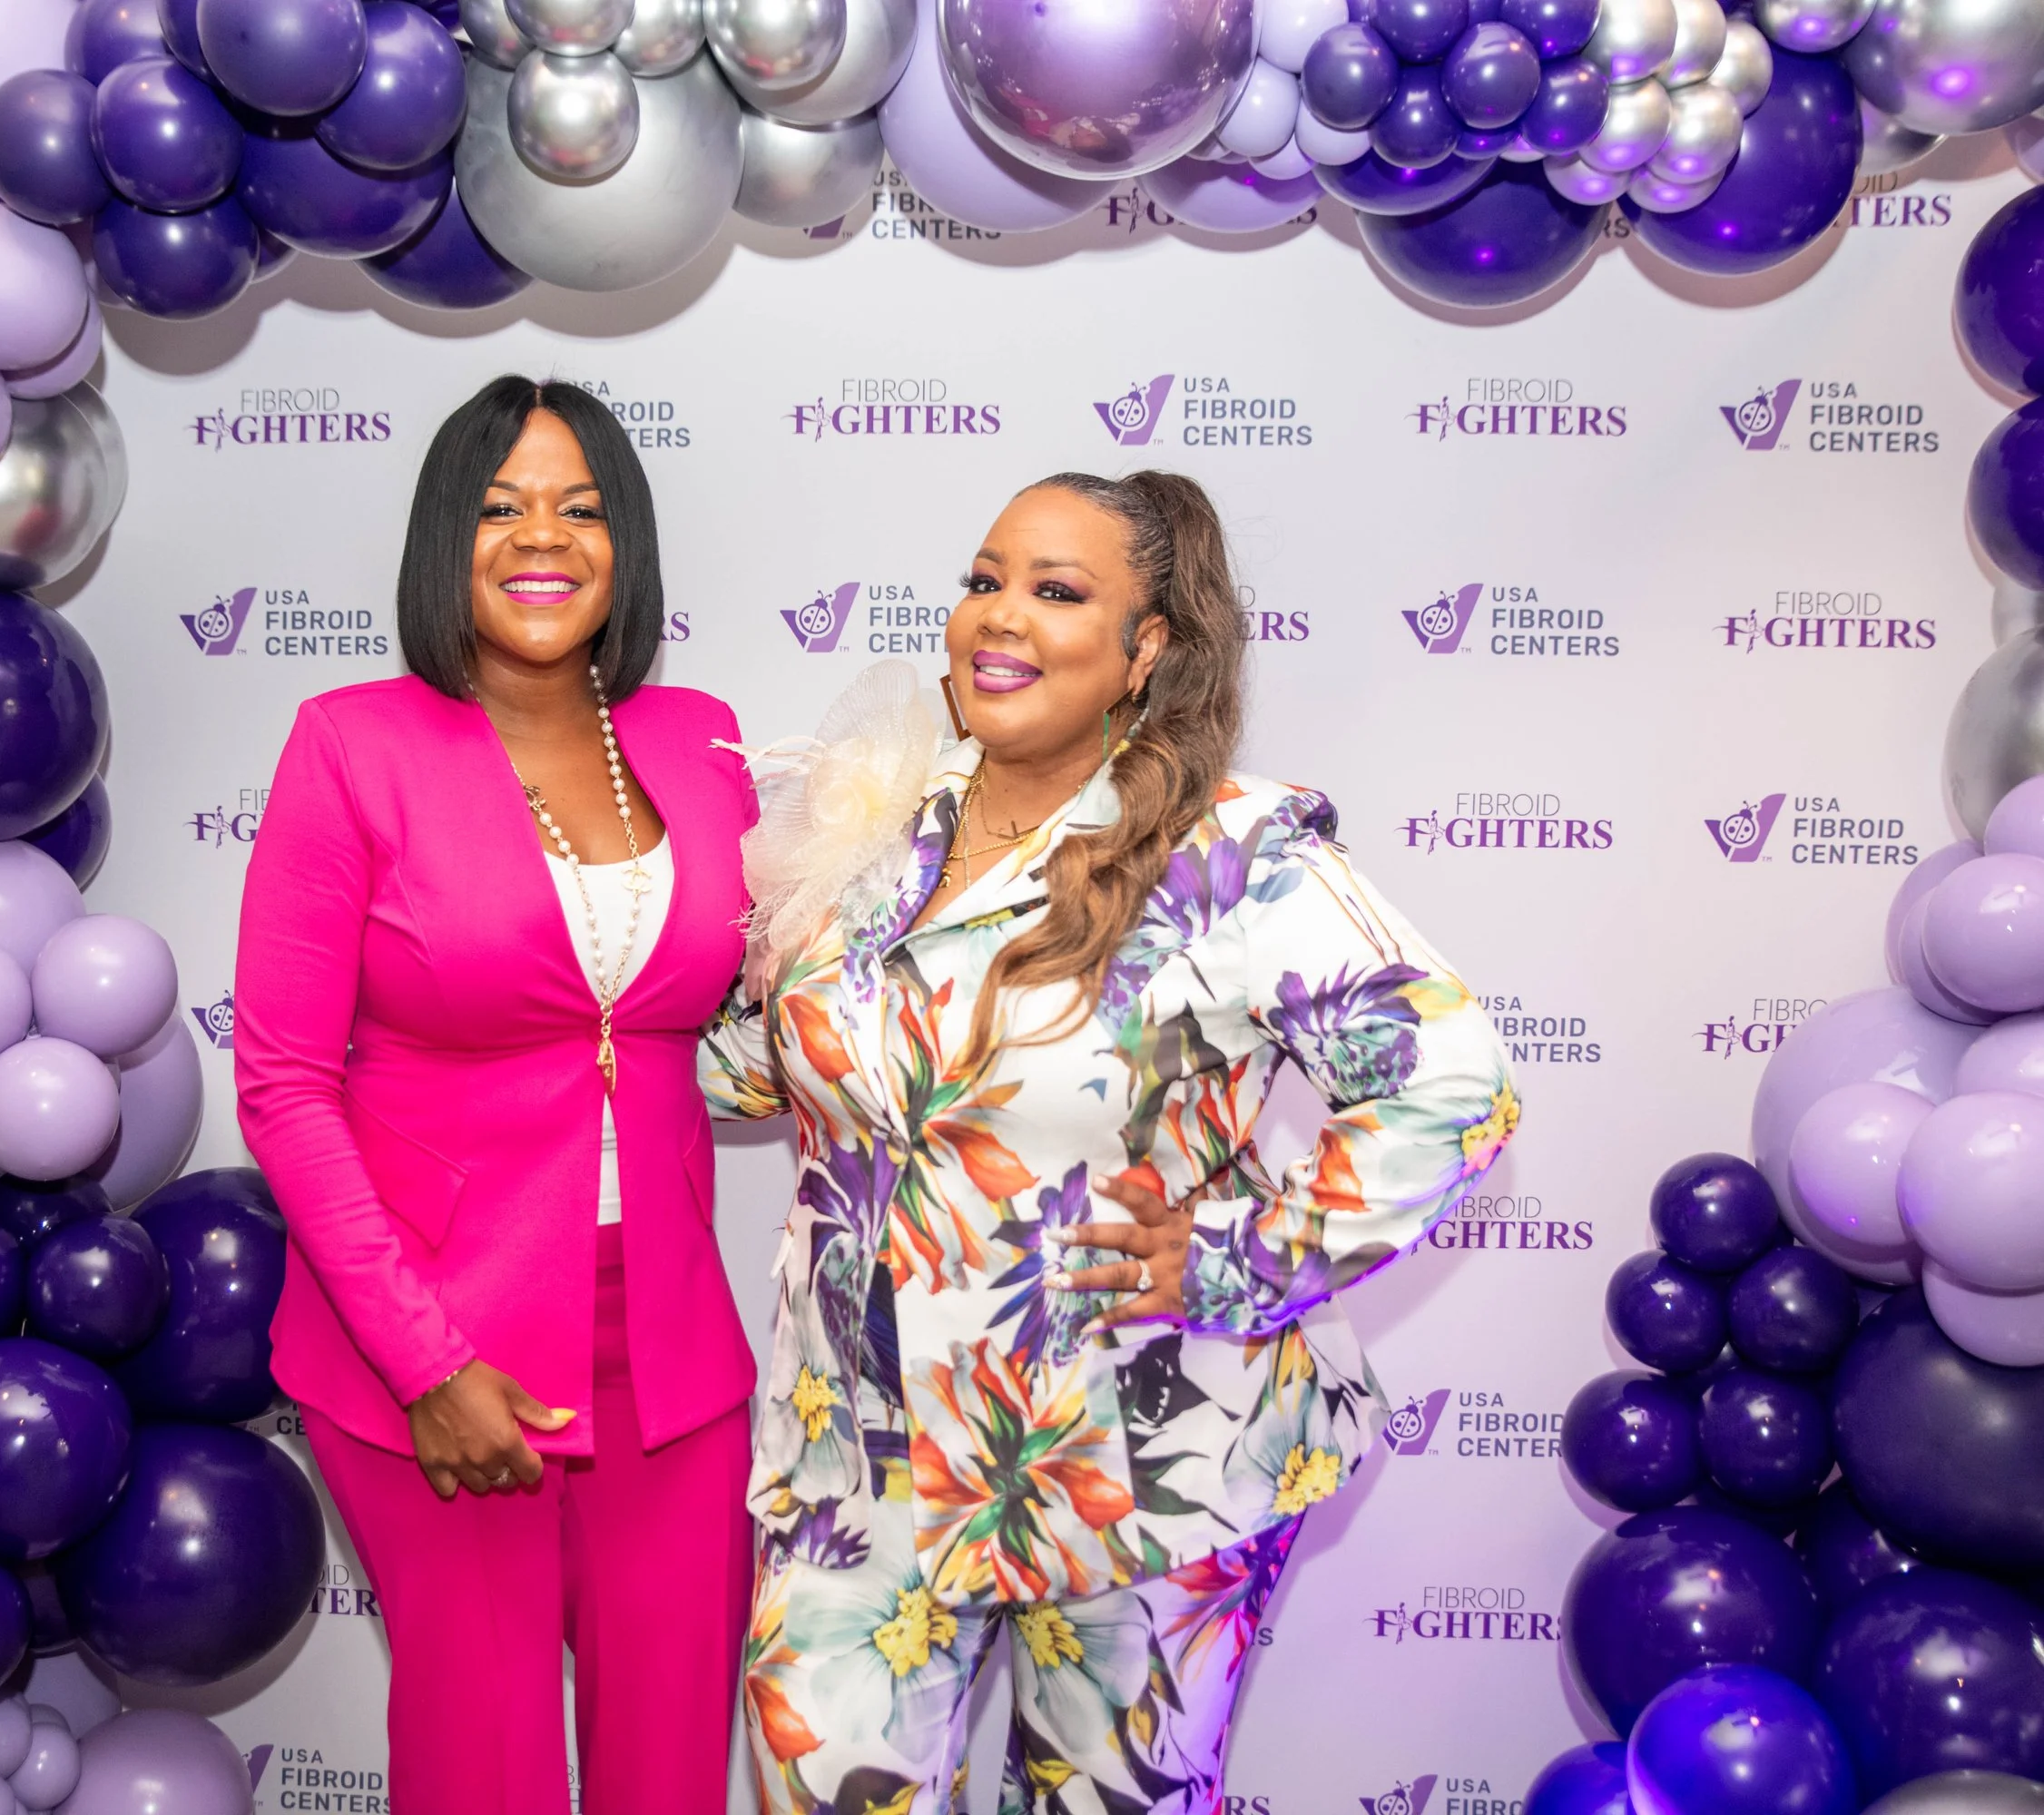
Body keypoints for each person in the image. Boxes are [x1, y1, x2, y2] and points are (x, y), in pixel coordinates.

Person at [704, 470, 1518, 1812]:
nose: (1000, 617)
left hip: (1145, 1460)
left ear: (1149, 648)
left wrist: (1242, 1256)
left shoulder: (1232, 854)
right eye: (984, 581)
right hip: (862, 1463)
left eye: (1057, 591)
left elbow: (1453, 1084)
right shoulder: (872, 822)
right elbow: (767, 1069)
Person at [234, 378, 755, 1815]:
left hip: (669, 1349)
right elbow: (283, 1084)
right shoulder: (351, 744)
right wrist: (424, 1363)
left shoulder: (706, 744)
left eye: (582, 507)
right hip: (433, 1343)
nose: (545, 536)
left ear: (625, 542)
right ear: (444, 537)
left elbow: (776, 1008)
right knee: (487, 1767)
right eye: (501, 504)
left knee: (670, 1767)